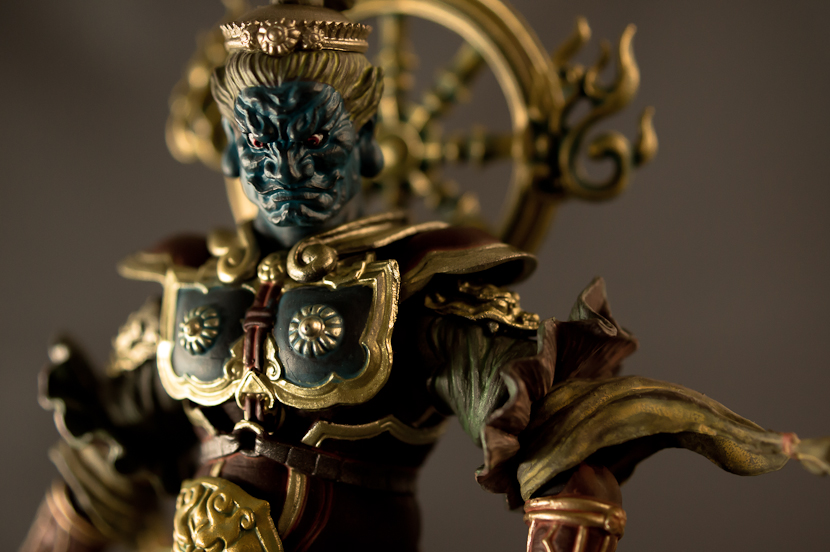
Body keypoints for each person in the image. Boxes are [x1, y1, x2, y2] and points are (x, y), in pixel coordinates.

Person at [19, 2, 829, 552]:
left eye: (316, 140)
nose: (286, 168)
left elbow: (552, 432)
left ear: (368, 143)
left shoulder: (415, 292)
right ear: (231, 152)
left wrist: (569, 502)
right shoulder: (191, 287)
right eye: (261, 143)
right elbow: (105, 460)